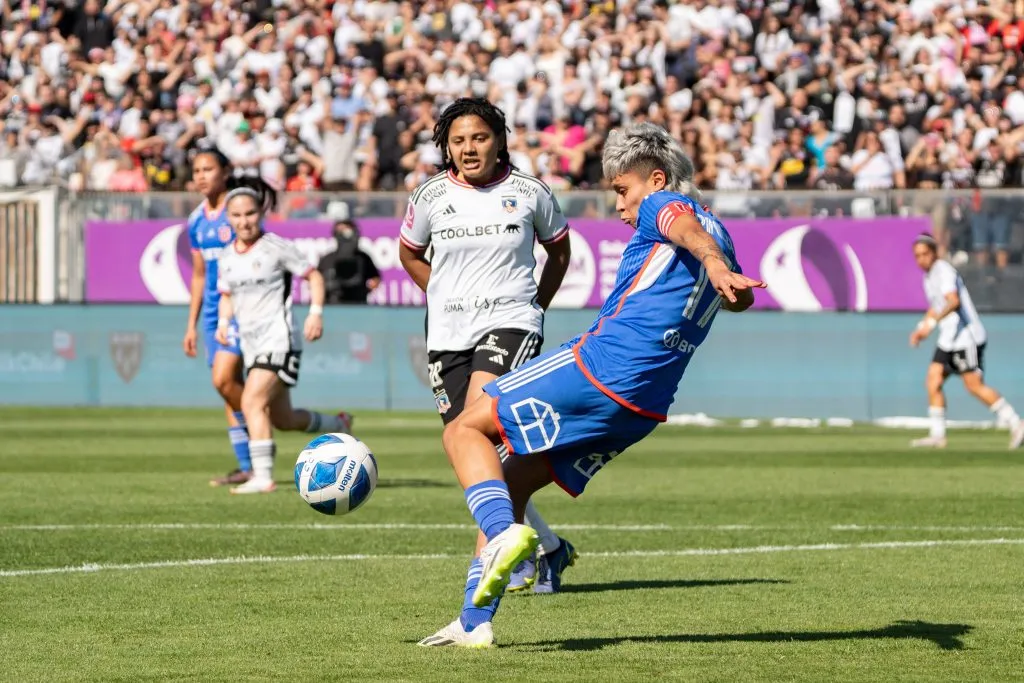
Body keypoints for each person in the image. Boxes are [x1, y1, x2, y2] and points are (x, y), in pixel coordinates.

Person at [418, 122, 765, 648]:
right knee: (511, 483)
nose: (620, 207)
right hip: (644, 407)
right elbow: (739, 299)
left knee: (464, 431)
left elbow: (675, 219)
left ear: (656, 179)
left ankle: (505, 536)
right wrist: (721, 270)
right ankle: (474, 621)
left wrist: (713, 263)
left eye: (623, 191)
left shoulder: (665, 204)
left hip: (601, 368)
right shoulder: (720, 232)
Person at [399, 97, 574, 595]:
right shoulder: (430, 195)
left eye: (479, 137)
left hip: (511, 322)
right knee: (473, 449)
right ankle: (549, 547)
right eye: (458, 141)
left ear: (499, 140)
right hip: (447, 334)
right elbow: (409, 253)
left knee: (476, 428)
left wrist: (535, 306)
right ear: (446, 147)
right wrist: (442, 293)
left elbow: (559, 251)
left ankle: (504, 552)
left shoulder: (530, 192)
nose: (469, 148)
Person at [215, 177, 355, 495]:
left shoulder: (275, 247)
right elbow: (226, 295)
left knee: (251, 400)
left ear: (260, 213)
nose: (244, 221)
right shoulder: (226, 257)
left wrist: (315, 313)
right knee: (283, 418)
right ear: (228, 218)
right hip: (252, 344)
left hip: (279, 340)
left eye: (250, 213)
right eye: (237, 215)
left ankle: (262, 477)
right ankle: (339, 424)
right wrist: (224, 322)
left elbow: (313, 276)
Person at [908, 235, 1024, 449]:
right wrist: (921, 328)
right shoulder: (929, 277)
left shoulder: (943, 271)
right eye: (917, 256)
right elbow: (936, 306)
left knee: (973, 385)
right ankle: (937, 436)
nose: (921, 259)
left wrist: (931, 324)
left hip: (966, 337)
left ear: (934, 253)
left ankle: (1016, 423)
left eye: (925, 254)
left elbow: (953, 301)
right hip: (948, 339)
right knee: (933, 380)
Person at [181, 149, 252, 488]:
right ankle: (248, 466)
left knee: (223, 380)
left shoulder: (239, 211)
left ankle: (260, 419)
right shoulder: (196, 219)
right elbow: (199, 275)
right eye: (196, 170)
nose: (201, 176)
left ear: (225, 171)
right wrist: (191, 324)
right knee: (227, 389)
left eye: (208, 169)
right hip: (212, 313)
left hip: (240, 308)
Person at [318, 219, 381, 304]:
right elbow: (315, 280)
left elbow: (375, 278)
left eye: (347, 231)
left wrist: (366, 290)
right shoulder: (327, 260)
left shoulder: (363, 258)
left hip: (357, 303)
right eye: (340, 232)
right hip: (332, 304)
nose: (344, 235)